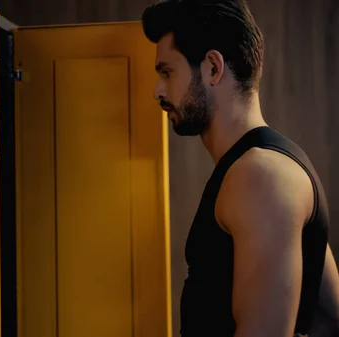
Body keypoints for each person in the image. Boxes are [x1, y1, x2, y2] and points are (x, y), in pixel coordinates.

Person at [141, 0, 339, 336]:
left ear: (213, 68)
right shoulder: (264, 169)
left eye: (166, 72)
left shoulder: (259, 178)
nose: (158, 91)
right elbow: (328, 317)